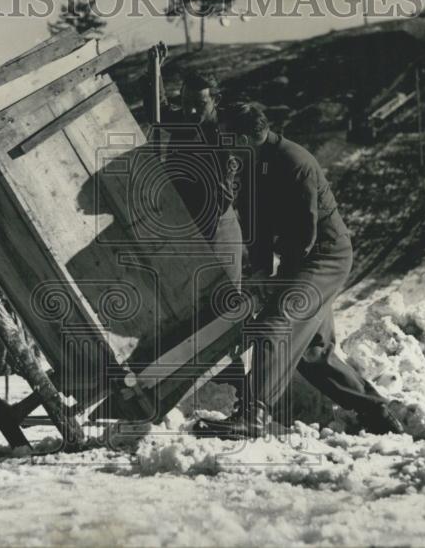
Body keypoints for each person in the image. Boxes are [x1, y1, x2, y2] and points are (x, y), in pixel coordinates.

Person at [193, 102, 404, 438]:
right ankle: (375, 411)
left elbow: (303, 235)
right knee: (312, 351)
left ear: (247, 137)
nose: (223, 145)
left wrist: (279, 286)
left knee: (274, 326)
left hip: (323, 256)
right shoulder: (252, 164)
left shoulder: (295, 162)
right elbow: (256, 227)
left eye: (227, 138)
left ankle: (253, 415)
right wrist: (261, 272)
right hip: (304, 257)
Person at [141, 43, 242, 286]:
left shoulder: (224, 136)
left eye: (200, 104)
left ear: (215, 100)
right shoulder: (186, 119)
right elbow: (159, 110)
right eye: (186, 102)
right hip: (185, 220)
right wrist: (154, 71)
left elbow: (218, 199)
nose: (191, 110)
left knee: (224, 294)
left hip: (216, 225)